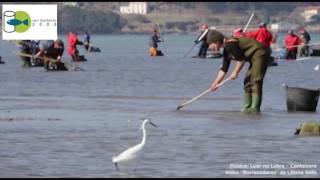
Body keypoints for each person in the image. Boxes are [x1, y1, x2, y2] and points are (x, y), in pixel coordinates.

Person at [206, 30, 270, 113]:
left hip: (260, 53)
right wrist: (215, 83)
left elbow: (241, 60)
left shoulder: (230, 45)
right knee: (247, 81)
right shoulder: (226, 50)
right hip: (251, 57)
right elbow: (224, 69)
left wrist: (235, 72)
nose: (210, 47)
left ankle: (255, 108)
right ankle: (246, 107)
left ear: (217, 41)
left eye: (211, 44)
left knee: (255, 80)